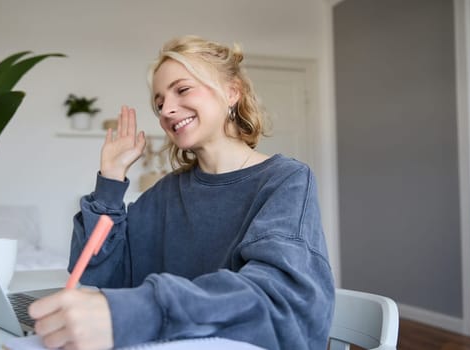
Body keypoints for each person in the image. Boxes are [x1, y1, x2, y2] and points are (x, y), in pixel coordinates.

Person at [29, 35, 334, 350]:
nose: (167, 110)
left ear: (232, 92)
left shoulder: (285, 180)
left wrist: (146, 311)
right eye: (159, 103)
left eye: (183, 89)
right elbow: (99, 272)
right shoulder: (166, 193)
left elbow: (277, 297)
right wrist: (110, 179)